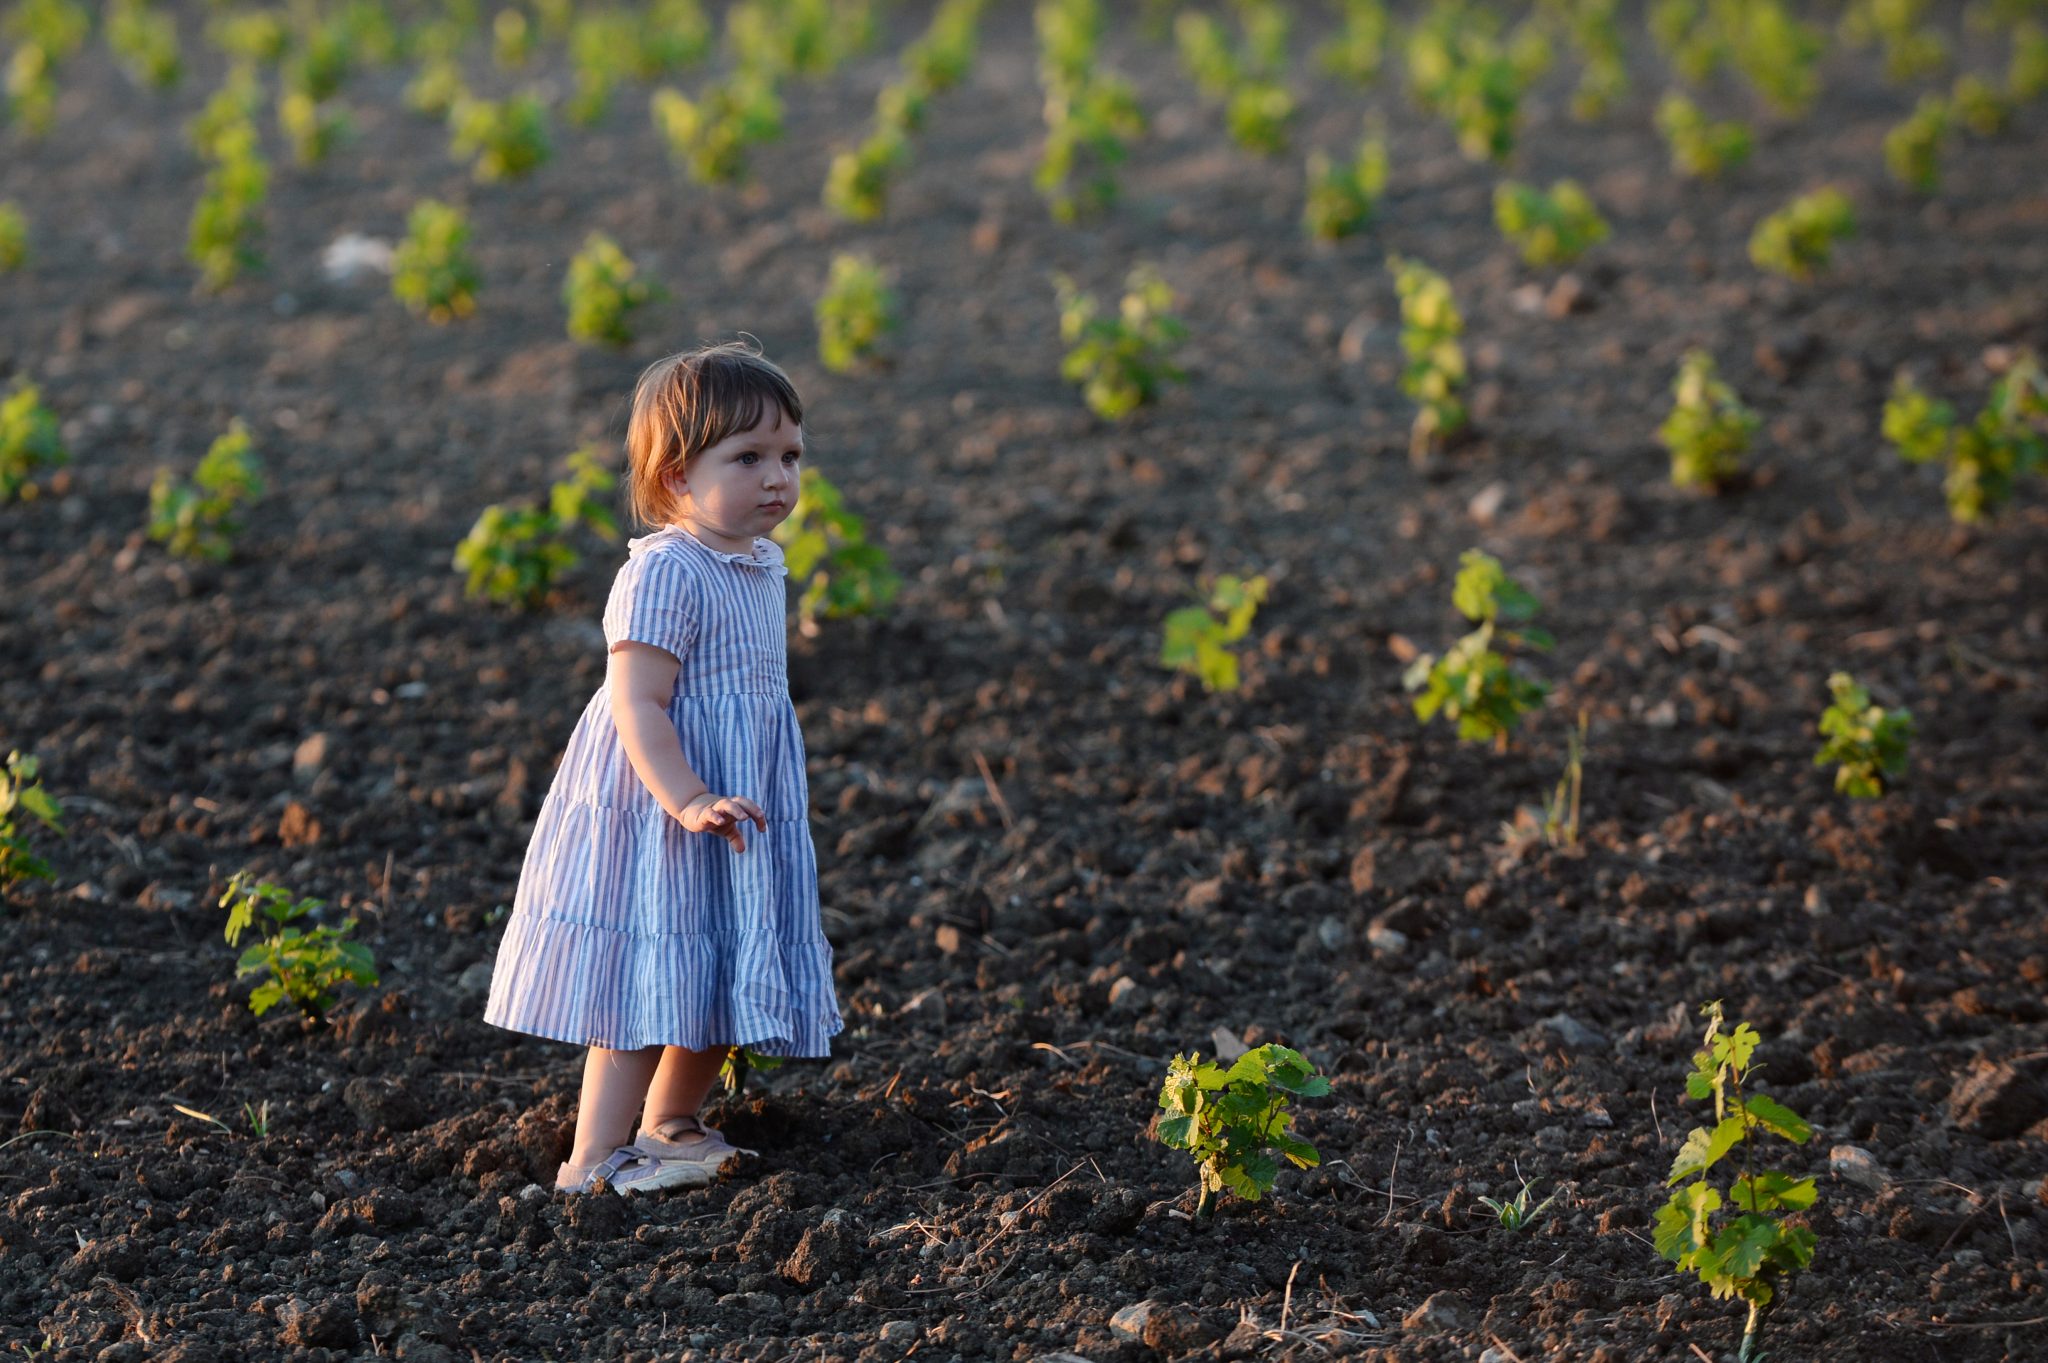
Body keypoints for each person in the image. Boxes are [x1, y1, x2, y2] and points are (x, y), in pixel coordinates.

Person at [484, 338, 844, 1194]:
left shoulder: (758, 565)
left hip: (739, 804)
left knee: (727, 961)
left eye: (790, 456)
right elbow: (635, 702)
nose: (778, 478)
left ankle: (670, 1122)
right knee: (650, 982)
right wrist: (687, 797)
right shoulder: (665, 571)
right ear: (678, 475)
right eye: (748, 456)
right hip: (662, 808)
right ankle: (590, 1160)